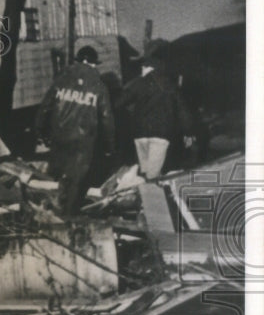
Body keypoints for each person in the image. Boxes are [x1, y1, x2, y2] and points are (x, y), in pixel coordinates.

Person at [35, 46, 116, 215]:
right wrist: (109, 147)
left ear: (78, 61)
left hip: (59, 136)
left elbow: (45, 107)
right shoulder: (99, 86)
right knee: (75, 182)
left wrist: (41, 132)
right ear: (94, 64)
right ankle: (67, 218)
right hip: (83, 143)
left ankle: (48, 212)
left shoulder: (61, 80)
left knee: (55, 176)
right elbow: (107, 119)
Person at [117, 53, 194, 179]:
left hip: (140, 134)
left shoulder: (138, 83)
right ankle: (151, 195)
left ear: (150, 68)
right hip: (160, 134)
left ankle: (144, 194)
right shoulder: (170, 86)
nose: (141, 70)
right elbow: (182, 110)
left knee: (145, 173)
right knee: (153, 176)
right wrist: (189, 132)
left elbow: (119, 102)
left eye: (143, 67)